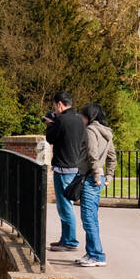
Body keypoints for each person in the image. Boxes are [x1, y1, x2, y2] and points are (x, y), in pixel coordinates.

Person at [44, 92, 86, 253]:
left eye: (55, 105)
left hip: (63, 167)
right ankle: (65, 238)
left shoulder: (61, 120)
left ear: (60, 104)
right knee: (66, 204)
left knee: (65, 205)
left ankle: (70, 241)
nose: (55, 108)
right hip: (75, 165)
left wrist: (50, 124)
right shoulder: (79, 119)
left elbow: (50, 139)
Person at [76, 104, 116, 267]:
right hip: (97, 178)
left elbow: (92, 155)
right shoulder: (107, 133)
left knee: (88, 217)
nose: (82, 120)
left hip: (91, 178)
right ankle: (92, 251)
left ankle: (97, 255)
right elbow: (112, 157)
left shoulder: (91, 131)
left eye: (83, 117)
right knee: (91, 217)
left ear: (89, 117)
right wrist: (109, 176)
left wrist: (97, 175)